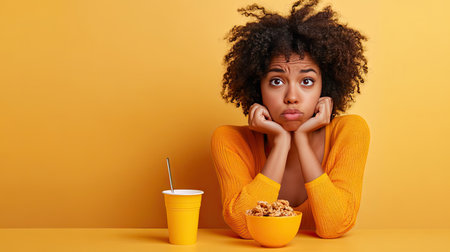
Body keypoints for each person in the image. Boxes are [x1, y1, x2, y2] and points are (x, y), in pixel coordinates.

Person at [211, 0, 370, 239]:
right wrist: (282, 143)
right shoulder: (230, 140)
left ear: (324, 87)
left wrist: (302, 140)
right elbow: (244, 227)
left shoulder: (350, 131)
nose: (292, 97)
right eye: (276, 81)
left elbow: (335, 226)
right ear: (258, 87)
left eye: (306, 81)